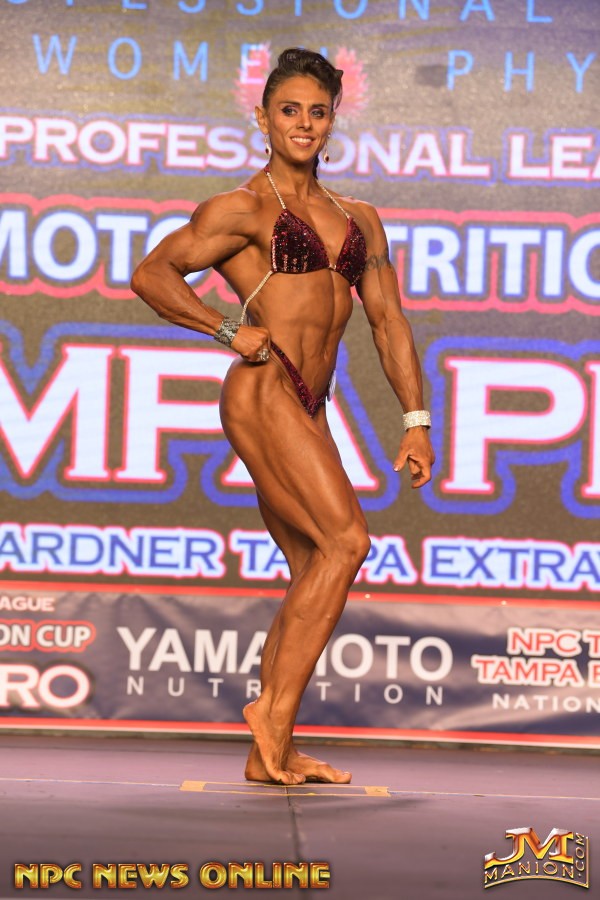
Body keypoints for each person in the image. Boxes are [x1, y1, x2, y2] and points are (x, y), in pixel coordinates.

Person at [131, 48, 435, 786]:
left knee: (312, 567)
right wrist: (224, 329)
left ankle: (272, 748)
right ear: (263, 118)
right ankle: (269, 713)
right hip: (264, 388)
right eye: (289, 110)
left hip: (310, 403)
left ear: (332, 122)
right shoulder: (242, 208)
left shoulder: (359, 218)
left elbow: (388, 322)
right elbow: (151, 273)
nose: (304, 123)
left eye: (317, 112)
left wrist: (416, 419)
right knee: (346, 542)